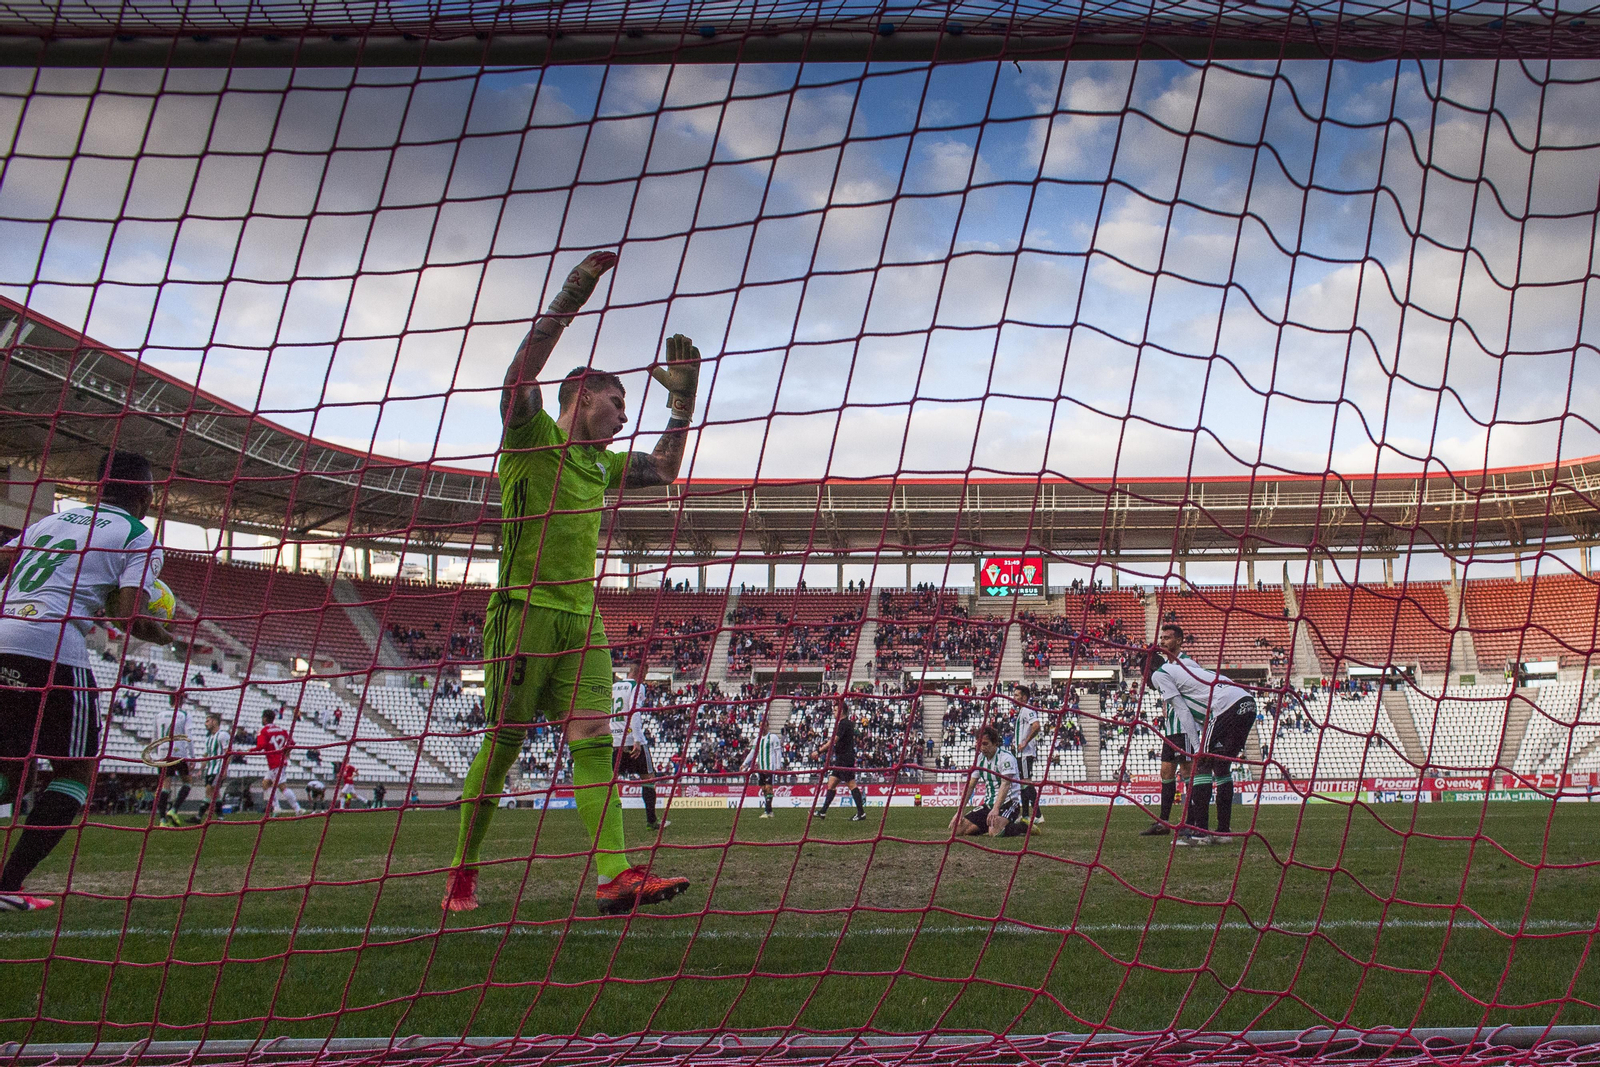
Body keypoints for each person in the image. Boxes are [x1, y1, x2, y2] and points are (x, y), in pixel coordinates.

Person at [443, 250, 697, 916]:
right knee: (502, 748)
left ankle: (614, 874)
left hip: (584, 622)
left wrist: (683, 401)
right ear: (579, 398)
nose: (621, 416)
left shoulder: (601, 466)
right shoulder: (529, 437)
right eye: (615, 403)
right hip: (523, 613)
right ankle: (463, 872)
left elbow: (665, 470)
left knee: (593, 740)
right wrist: (573, 294)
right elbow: (519, 372)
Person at [0, 450, 172, 912]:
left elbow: (4, 562)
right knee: (74, 771)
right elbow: (129, 613)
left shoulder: (52, 522)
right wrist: (165, 636)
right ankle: (8, 884)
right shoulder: (138, 535)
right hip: (53, 648)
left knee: (10, 768)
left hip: (3, 635)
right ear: (146, 494)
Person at [1145, 623, 1258, 846]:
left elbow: (1184, 711)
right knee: (1222, 768)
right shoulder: (1189, 668)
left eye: (1167, 638)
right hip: (1246, 703)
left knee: (1202, 765)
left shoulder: (1162, 673)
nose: (1162, 642)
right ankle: (1223, 832)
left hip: (1226, 706)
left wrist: (1197, 747)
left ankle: (1200, 833)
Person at [1140, 625, 1196, 838]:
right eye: (1161, 638)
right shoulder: (1167, 665)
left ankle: (1192, 821)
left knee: (1188, 772)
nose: (1162, 641)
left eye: (1167, 638)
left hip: (1186, 726)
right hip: (1171, 728)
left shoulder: (1187, 664)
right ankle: (1163, 822)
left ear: (1180, 640)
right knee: (1166, 772)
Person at [610, 658, 666, 832]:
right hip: (631, 741)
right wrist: (637, 740)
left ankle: (605, 822)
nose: (645, 678)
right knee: (648, 779)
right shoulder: (637, 686)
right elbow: (635, 714)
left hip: (613, 742)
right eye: (646, 673)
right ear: (640, 672)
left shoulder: (613, 687)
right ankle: (651, 821)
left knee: (609, 783)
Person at [951, 724, 1025, 838]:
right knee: (958, 829)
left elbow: (1005, 784)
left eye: (985, 744)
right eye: (979, 744)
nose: (981, 747)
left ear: (995, 743)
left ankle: (1023, 826)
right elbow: (970, 785)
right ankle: (991, 823)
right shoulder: (979, 759)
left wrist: (996, 808)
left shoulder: (1006, 758)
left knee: (995, 832)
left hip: (1008, 803)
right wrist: (960, 811)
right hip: (988, 805)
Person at [155, 691, 197, 828]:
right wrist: (192, 756)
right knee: (188, 782)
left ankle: (162, 820)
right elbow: (188, 735)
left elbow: (154, 736)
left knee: (164, 785)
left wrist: (156, 754)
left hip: (162, 752)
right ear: (180, 701)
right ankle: (173, 810)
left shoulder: (159, 715)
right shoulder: (184, 715)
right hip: (178, 752)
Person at [251, 708, 302, 816]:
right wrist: (286, 754)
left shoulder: (264, 731)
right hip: (278, 762)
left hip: (275, 763)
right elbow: (291, 743)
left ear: (265, 719)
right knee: (266, 784)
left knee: (282, 786)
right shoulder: (281, 730)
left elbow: (261, 746)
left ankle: (298, 809)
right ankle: (276, 808)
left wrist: (250, 751)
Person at [814, 714, 865, 821]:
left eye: (836, 710)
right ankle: (823, 811)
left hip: (844, 759)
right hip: (841, 758)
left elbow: (834, 740)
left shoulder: (843, 723)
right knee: (831, 783)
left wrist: (819, 751)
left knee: (851, 784)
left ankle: (861, 813)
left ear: (842, 711)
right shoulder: (847, 723)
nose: (834, 712)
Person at [1010, 690, 1043, 826]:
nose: (1014, 697)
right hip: (1021, 753)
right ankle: (1025, 815)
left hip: (1025, 753)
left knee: (1026, 783)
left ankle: (1038, 815)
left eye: (1017, 695)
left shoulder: (1027, 709)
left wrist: (1025, 742)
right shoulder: (1022, 710)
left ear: (1024, 697)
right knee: (1023, 784)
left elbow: (1036, 726)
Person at [741, 726, 784, 818]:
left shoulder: (773, 737)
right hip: (760, 768)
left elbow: (778, 752)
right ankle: (770, 811)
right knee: (764, 789)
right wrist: (745, 764)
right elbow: (753, 752)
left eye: (764, 725)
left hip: (769, 767)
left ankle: (767, 811)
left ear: (767, 726)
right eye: (761, 726)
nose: (762, 728)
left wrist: (778, 766)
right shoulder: (757, 739)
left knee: (768, 788)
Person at [196, 711, 229, 821]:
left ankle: (198, 816)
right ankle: (220, 816)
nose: (205, 724)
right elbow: (206, 755)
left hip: (218, 768)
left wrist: (225, 769)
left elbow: (228, 753)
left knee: (209, 790)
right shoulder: (209, 738)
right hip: (210, 769)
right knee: (215, 792)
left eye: (207, 721)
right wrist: (201, 769)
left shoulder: (223, 735)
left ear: (214, 722)